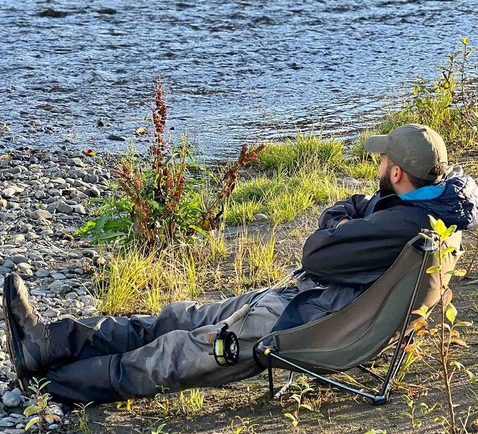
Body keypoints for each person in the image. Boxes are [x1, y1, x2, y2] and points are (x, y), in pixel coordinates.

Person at [3, 124, 478, 404]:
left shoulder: (399, 226)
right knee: (176, 318)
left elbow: (318, 248)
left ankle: (52, 384)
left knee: (175, 354)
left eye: (382, 164)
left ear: (397, 173)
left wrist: (340, 216)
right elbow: (352, 216)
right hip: (306, 300)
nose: (376, 170)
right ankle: (47, 343)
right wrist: (351, 214)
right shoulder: (432, 210)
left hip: (301, 321)